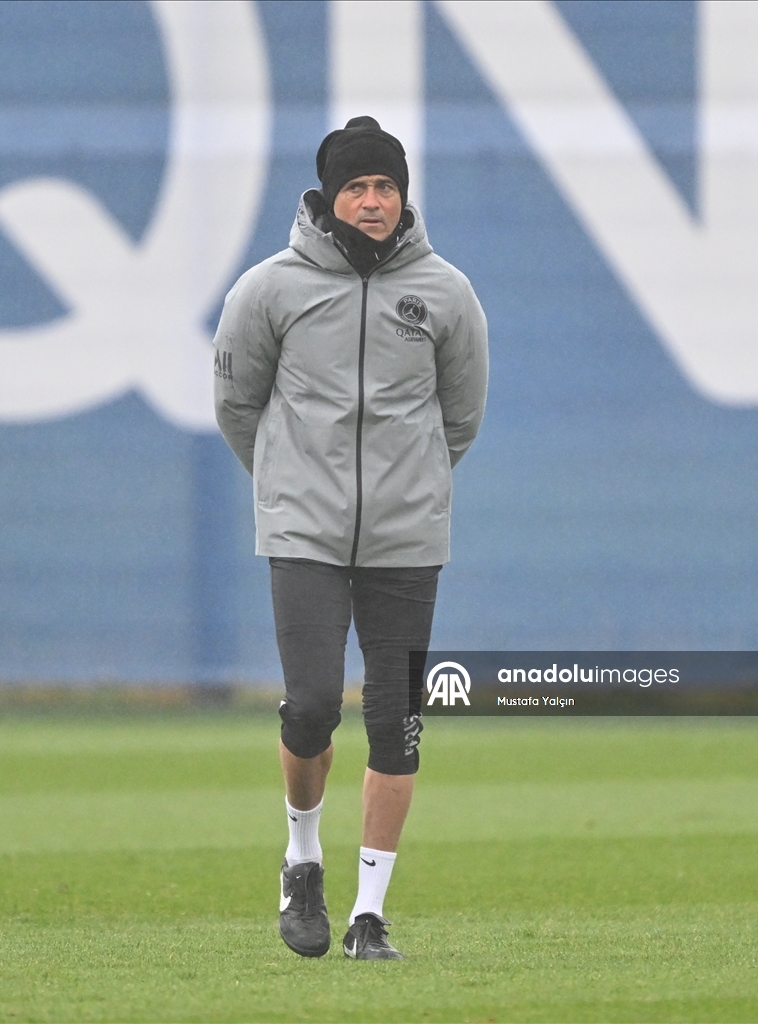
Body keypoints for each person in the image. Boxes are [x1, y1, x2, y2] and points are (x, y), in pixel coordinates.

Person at [214, 116, 488, 960]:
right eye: (356, 188)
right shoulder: (269, 289)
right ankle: (302, 857)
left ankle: (369, 914)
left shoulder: (445, 292)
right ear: (328, 198)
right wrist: (292, 486)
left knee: (397, 719)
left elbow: (461, 416)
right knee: (308, 705)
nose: (371, 202)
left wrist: (409, 487)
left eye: (384, 187)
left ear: (402, 196)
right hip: (303, 530)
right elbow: (237, 407)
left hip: (408, 538)